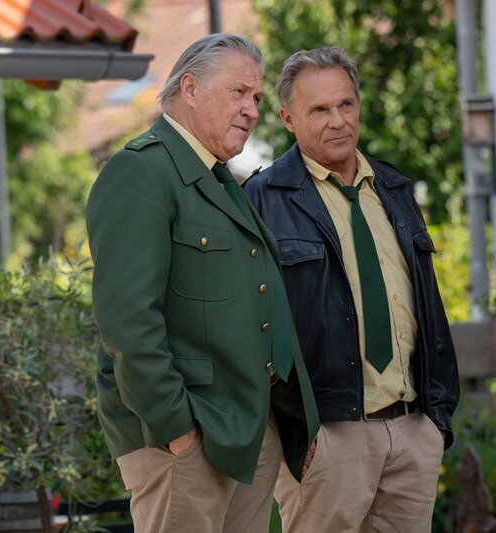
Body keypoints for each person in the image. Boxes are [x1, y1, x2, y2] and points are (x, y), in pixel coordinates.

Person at [86, 34, 318, 533]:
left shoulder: (220, 179)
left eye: (256, 98)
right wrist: (177, 432)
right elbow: (126, 321)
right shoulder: (140, 172)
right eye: (239, 93)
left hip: (246, 430)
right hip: (186, 439)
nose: (252, 110)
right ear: (189, 89)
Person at [243, 46, 459, 532]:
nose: (337, 121)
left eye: (345, 104)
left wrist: (436, 418)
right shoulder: (261, 201)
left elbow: (428, 304)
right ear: (288, 118)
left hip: (411, 427)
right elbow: (252, 328)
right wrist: (297, 428)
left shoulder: (396, 189)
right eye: (319, 110)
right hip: (328, 439)